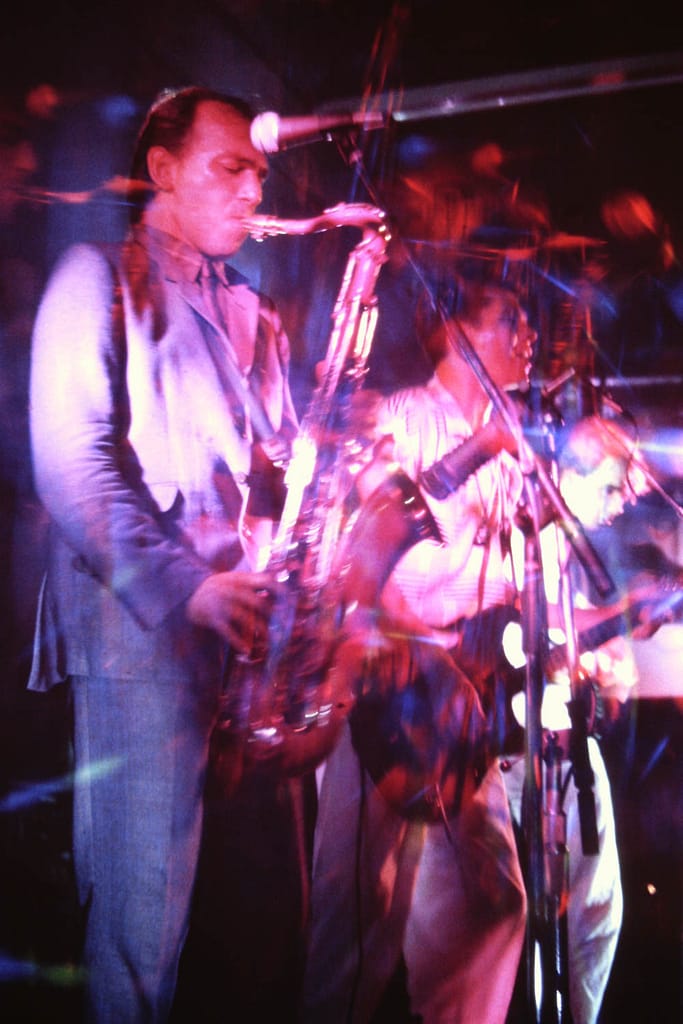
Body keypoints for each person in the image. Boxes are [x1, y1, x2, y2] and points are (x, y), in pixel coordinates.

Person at [27, 86, 301, 1023]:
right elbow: (71, 465)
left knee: (246, 929)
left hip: (243, 645)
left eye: (259, 173)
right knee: (140, 935)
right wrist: (192, 591)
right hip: (142, 640)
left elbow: (274, 478)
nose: (253, 190)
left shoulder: (252, 307)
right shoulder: (95, 275)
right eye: (231, 168)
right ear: (162, 169)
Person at [299, 271, 533, 1023]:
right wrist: (479, 449)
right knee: (360, 923)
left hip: (456, 702)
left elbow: (507, 580)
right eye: (511, 320)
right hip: (383, 686)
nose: (530, 338)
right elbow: (377, 533)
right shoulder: (404, 415)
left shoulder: (515, 455)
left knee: (496, 903)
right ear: (459, 337)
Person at [500, 413, 650, 1024]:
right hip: (512, 744)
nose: (620, 503)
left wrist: (606, 666)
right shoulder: (529, 532)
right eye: (612, 487)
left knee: (595, 910)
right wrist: (627, 613)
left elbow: (570, 645)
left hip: (559, 739)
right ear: (572, 474)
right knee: (546, 916)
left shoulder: (571, 544)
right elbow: (528, 632)